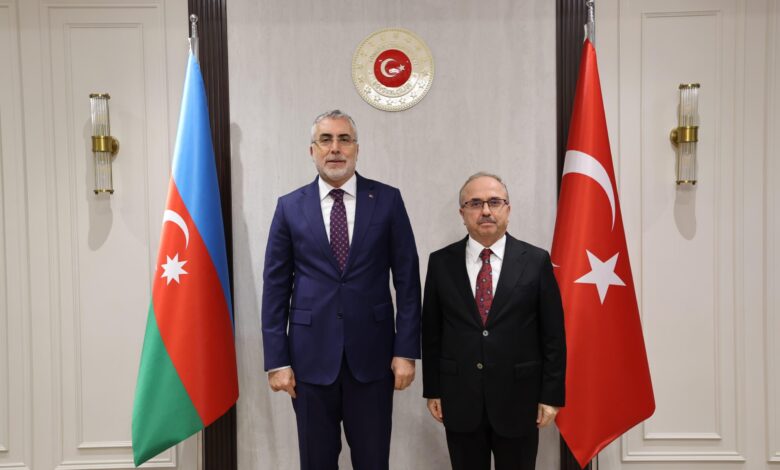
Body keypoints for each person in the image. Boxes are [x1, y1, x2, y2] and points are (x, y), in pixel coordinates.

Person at [261, 110, 421, 470]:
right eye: (326, 140)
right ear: (312, 150)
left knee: (373, 461)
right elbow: (275, 287)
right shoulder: (289, 207)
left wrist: (406, 351)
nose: (335, 148)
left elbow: (408, 281)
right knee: (316, 462)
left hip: (374, 359)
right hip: (308, 361)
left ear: (356, 149)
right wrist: (277, 361)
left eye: (344, 139)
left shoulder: (388, 200)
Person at [421, 172, 566, 470]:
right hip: (460, 398)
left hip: (520, 399)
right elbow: (432, 332)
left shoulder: (536, 261)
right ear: (462, 213)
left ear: (508, 210)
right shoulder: (441, 262)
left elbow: (553, 335)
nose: (485, 210)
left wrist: (551, 396)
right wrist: (433, 389)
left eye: (494, 202)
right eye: (475, 203)